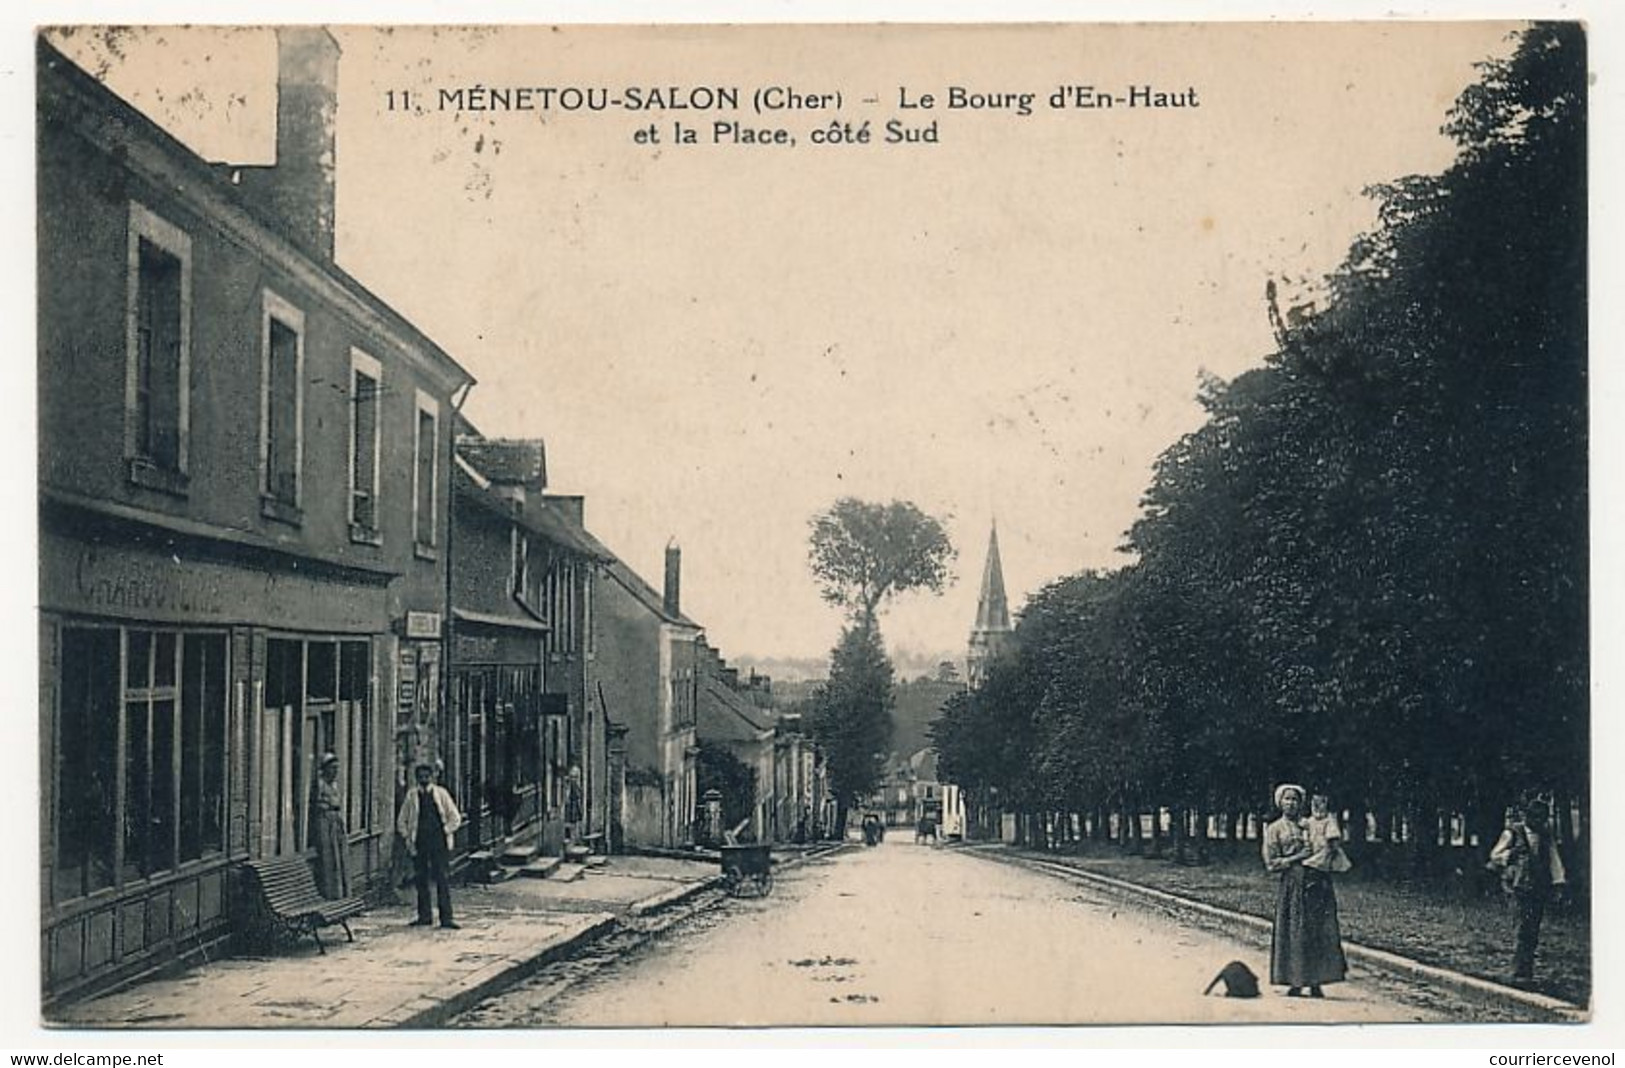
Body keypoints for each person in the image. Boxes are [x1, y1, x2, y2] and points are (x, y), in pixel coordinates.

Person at [1262, 783, 1347, 998]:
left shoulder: (1310, 824)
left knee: (1318, 929)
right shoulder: (1274, 829)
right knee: (1295, 931)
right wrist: (1297, 857)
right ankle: (1296, 981)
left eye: (1295, 799)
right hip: (1293, 884)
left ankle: (1317, 981)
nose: (1291, 803)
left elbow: (1330, 843)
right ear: (1280, 802)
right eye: (1287, 799)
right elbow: (1272, 864)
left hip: (1318, 882)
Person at [1488, 800, 1567, 987]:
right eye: (1536, 817)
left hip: (1538, 888)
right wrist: (1510, 856)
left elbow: (1554, 860)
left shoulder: (1546, 836)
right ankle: (1516, 972)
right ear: (1527, 816)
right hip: (1516, 887)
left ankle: (1527, 971)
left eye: (1543, 818)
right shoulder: (1513, 833)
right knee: (1522, 927)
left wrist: (1558, 883)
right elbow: (1495, 855)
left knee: (1533, 929)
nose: (1539, 821)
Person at [396, 760, 464, 929]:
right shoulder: (412, 796)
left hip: (438, 843)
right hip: (420, 843)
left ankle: (446, 918)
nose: (424, 779)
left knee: (442, 878)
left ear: (432, 777)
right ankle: (424, 916)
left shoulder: (441, 794)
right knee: (421, 879)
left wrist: (445, 831)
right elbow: (401, 821)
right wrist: (407, 837)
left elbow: (455, 817)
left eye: (427, 776)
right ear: (417, 778)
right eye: (421, 776)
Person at [310, 752, 350, 899]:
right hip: (325, 823)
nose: (335, 772)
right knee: (328, 857)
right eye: (332, 768)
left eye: (336, 769)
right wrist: (327, 807)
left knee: (338, 858)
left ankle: (340, 893)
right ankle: (330, 892)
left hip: (335, 823)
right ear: (325, 769)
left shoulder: (334, 785)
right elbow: (317, 804)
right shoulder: (321, 784)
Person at [1303, 793, 1353, 875]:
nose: (1317, 806)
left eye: (1321, 803)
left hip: (1325, 853)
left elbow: (1333, 842)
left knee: (1322, 873)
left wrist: (1331, 846)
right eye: (1314, 803)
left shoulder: (1329, 820)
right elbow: (1305, 834)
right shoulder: (1309, 821)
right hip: (1312, 851)